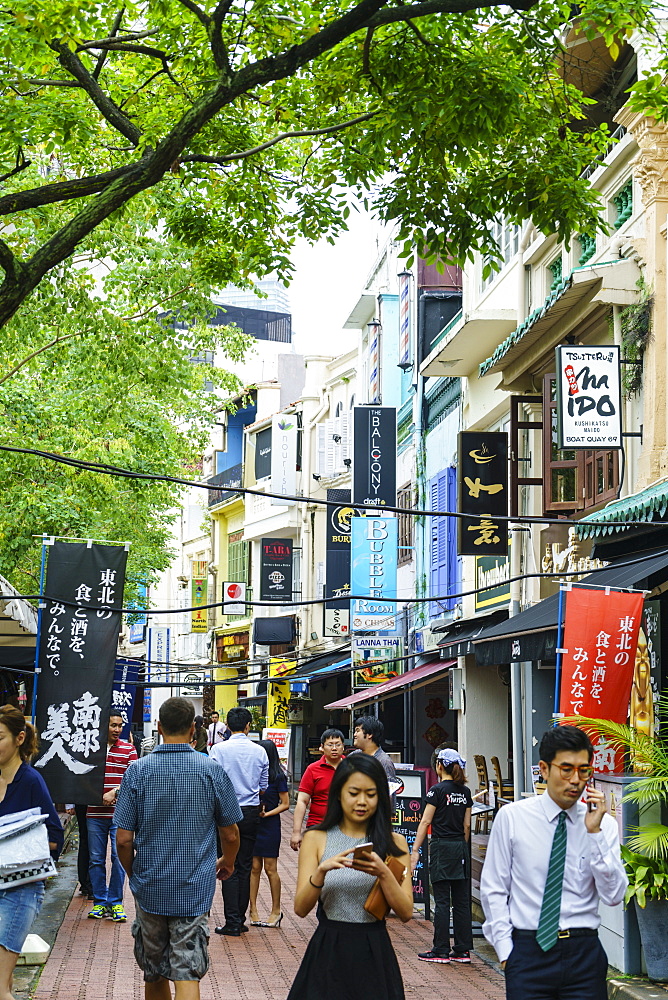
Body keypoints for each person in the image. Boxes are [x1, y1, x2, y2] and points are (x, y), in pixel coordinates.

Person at [481, 725, 628, 1000]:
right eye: (566, 769)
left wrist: (594, 834)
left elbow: (614, 895)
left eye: (583, 770)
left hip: (584, 953)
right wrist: (505, 953)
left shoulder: (602, 825)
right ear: (545, 769)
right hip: (528, 951)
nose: (576, 780)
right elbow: (494, 889)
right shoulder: (512, 818)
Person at [115, 696, 241, 1000]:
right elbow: (232, 833)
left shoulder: (137, 771)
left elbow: (122, 839)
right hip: (194, 887)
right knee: (186, 968)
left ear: (158, 727)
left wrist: (135, 874)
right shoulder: (211, 771)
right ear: (193, 730)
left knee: (153, 968)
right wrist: (227, 861)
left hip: (150, 885)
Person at [288, 753, 413, 1000]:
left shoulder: (394, 842)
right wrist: (321, 871)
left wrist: (384, 874)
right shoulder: (316, 838)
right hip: (328, 949)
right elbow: (301, 909)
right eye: (353, 793)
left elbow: (406, 912)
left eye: (371, 794)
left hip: (374, 950)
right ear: (338, 794)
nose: (362, 802)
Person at [0, 705, 64, 1000]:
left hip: (21, 889)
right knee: (6, 981)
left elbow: (54, 838)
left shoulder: (30, 781)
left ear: (19, 738)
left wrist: (14, 844)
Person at [209, 707, 269, 936]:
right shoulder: (259, 751)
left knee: (227, 863)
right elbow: (263, 786)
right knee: (245, 865)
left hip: (225, 812)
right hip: (251, 811)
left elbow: (212, 782)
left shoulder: (218, 750)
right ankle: (239, 919)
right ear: (248, 726)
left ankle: (232, 920)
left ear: (226, 726)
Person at [410, 748, 473, 964]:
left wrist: (415, 850)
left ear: (439, 766)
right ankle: (463, 950)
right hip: (460, 848)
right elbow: (467, 825)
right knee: (462, 901)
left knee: (443, 901)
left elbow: (426, 821)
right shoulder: (465, 792)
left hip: (441, 846)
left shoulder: (436, 791)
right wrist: (461, 848)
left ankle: (441, 949)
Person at [86, 710, 137, 921]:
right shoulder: (91, 749)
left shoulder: (129, 749)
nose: (117, 729)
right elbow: (80, 777)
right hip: (94, 813)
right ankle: (99, 901)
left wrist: (115, 792)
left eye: (120, 725)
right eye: (113, 725)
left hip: (120, 814)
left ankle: (115, 903)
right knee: (96, 859)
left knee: (119, 858)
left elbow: (134, 779)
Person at [249, 739, 290, 928]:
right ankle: (253, 910)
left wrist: (267, 813)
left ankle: (276, 910)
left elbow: (285, 804)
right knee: (254, 867)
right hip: (255, 823)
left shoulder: (278, 777)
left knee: (271, 868)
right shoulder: (254, 773)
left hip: (270, 824)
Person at [290, 729, 345, 851]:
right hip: (317, 825)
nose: (334, 748)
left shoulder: (352, 767)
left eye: (338, 744)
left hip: (345, 827)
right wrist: (296, 832)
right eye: (330, 745)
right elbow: (302, 801)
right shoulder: (313, 769)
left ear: (343, 746)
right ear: (322, 747)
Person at [351, 715, 397, 810]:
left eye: (358, 730)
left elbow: (390, 796)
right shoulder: (353, 757)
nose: (355, 734)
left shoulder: (384, 761)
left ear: (369, 734)